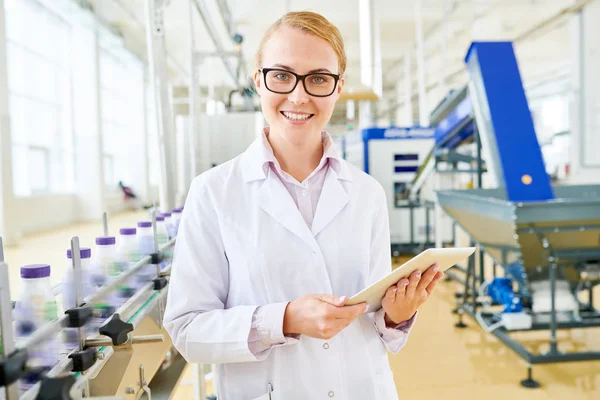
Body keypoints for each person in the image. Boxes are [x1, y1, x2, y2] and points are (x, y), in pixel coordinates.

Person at [164, 11, 444, 400]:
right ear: (257, 81)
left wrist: (399, 312)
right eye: (281, 75)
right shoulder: (213, 193)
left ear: (338, 86)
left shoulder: (367, 193)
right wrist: (284, 319)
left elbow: (378, 320)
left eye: (318, 79)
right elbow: (188, 331)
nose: (299, 96)